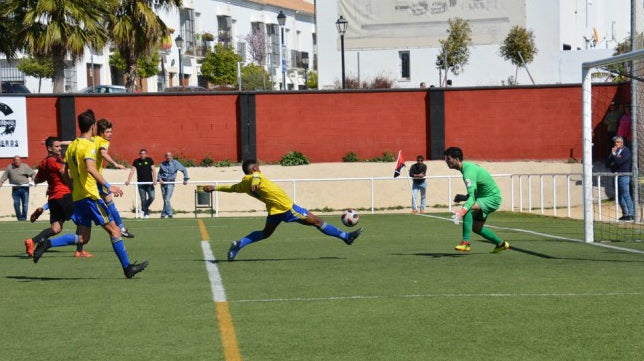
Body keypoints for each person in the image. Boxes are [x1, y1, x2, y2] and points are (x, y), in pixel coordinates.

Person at [32, 109, 148, 279]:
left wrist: (73, 187)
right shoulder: (89, 145)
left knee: (83, 238)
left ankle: (47, 243)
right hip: (91, 196)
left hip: (78, 197)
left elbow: (64, 171)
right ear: (93, 126)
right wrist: (109, 187)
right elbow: (90, 168)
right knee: (115, 231)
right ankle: (127, 268)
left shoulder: (72, 146)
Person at [202, 160, 364, 261]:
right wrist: (256, 180)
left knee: (266, 233)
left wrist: (214, 188)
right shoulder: (255, 176)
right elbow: (256, 178)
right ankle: (346, 237)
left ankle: (239, 244)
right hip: (287, 208)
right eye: (257, 167)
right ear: (254, 168)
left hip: (274, 210)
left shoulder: (244, 183)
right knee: (317, 221)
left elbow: (232, 188)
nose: (259, 169)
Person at [444, 147, 510, 253]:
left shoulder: (467, 172)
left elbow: (473, 197)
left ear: (456, 159)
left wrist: (462, 211)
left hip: (492, 199)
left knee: (468, 207)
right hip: (485, 198)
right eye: (446, 159)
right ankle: (501, 244)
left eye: (449, 159)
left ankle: (465, 243)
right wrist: (464, 197)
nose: (446, 162)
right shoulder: (467, 168)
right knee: (477, 228)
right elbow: (475, 192)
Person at [24, 137, 78, 257]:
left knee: (56, 228)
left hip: (53, 198)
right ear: (49, 148)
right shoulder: (56, 160)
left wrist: (50, 178)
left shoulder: (44, 162)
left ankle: (32, 241)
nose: (60, 148)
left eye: (60, 146)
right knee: (82, 220)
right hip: (64, 195)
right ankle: (80, 251)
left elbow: (37, 179)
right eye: (57, 146)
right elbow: (65, 173)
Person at [95, 118, 134, 237]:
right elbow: (103, 152)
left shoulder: (92, 139)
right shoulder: (103, 142)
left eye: (111, 132)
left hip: (88, 178)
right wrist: (115, 163)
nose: (110, 134)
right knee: (110, 202)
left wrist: (60, 143)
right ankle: (120, 228)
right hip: (96, 178)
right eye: (107, 132)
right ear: (101, 132)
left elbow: (75, 142)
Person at [606, 136, 634, 221]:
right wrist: (612, 155)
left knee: (626, 195)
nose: (616, 144)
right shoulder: (615, 152)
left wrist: (614, 158)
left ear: (622, 143)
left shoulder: (626, 151)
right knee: (619, 197)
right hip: (616, 176)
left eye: (617, 142)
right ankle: (625, 214)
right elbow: (607, 164)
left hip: (624, 176)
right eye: (615, 142)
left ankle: (631, 214)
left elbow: (619, 162)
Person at [0, 155, 35, 221]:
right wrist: (1, 181)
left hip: (25, 188)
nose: (17, 162)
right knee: (16, 203)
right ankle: (19, 218)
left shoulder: (25, 166)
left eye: (18, 161)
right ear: (13, 161)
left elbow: (33, 174)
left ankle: (24, 217)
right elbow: (5, 175)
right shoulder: (10, 167)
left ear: (20, 160)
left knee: (25, 204)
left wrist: (33, 179)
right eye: (16, 161)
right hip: (15, 189)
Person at [157, 152, 189, 218]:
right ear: (165, 157)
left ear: (172, 157)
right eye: (167, 156)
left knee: (167, 199)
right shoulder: (162, 164)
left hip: (170, 182)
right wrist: (159, 179)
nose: (168, 157)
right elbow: (159, 173)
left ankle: (170, 213)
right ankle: (163, 214)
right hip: (163, 183)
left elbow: (184, 170)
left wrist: (185, 179)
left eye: (170, 156)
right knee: (165, 199)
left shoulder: (175, 163)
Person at [126, 148, 157, 218]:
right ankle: (146, 213)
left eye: (144, 154)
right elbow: (132, 171)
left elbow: (154, 170)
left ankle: (143, 209)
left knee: (152, 197)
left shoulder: (149, 160)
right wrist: (128, 180)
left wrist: (155, 179)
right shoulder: (136, 161)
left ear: (146, 154)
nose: (142, 155)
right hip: (140, 184)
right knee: (143, 199)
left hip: (149, 183)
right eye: (141, 154)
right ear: (139, 154)